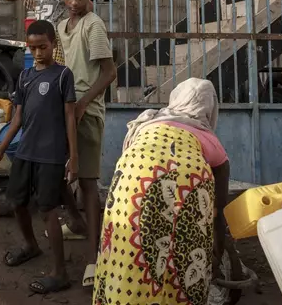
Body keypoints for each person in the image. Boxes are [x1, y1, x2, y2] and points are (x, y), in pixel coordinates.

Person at [93, 78, 230, 305]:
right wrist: (214, 255)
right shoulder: (209, 141)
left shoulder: (145, 124)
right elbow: (217, 210)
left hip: (133, 182)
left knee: (129, 250)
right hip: (187, 184)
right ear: (209, 107)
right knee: (183, 254)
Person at [0, 20, 78, 294]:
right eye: (33, 48)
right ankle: (30, 245)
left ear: (53, 44)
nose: (38, 53)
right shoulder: (25, 77)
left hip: (50, 154)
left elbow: (70, 117)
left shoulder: (63, 76)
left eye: (43, 47)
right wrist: (0, 148)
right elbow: (17, 119)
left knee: (48, 209)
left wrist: (73, 157)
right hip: (26, 150)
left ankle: (60, 273)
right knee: (17, 201)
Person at [56, 0, 117, 287]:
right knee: (56, 173)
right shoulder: (61, 26)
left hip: (87, 112)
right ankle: (77, 223)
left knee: (89, 184)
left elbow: (109, 73)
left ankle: (94, 259)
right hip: (65, 109)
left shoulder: (94, 26)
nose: (75, 2)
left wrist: (82, 105)